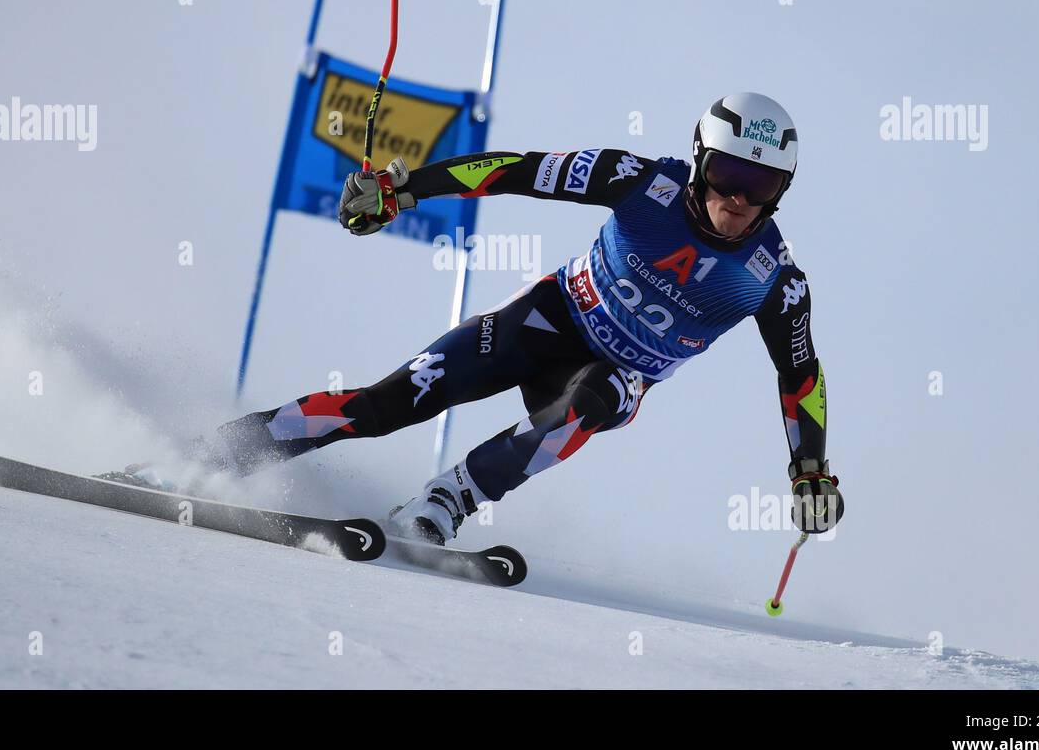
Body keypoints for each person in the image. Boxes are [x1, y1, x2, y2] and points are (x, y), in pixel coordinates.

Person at [218, 92, 842, 543]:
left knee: (597, 398)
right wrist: (404, 190)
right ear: (700, 160)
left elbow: (800, 377)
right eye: (728, 173)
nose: (737, 198)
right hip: (545, 319)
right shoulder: (637, 180)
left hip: (615, 373)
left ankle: (447, 502)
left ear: (781, 191)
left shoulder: (775, 279)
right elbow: (516, 171)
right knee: (388, 404)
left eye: (760, 185)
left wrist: (810, 471)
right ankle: (221, 451)